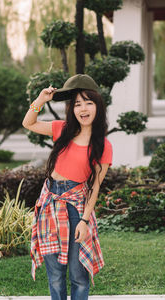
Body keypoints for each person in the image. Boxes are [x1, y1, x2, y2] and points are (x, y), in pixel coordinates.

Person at [22, 74, 113, 300]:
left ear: (98, 107)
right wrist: (41, 100)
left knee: (78, 275)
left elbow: (95, 186)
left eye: (88, 103)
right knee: (55, 274)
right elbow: (29, 123)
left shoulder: (103, 145)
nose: (83, 109)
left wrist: (84, 220)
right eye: (77, 104)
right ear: (72, 109)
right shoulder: (62, 129)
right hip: (50, 202)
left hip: (76, 206)